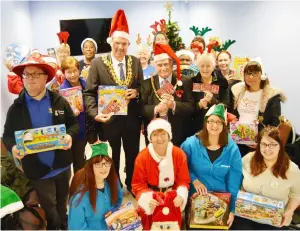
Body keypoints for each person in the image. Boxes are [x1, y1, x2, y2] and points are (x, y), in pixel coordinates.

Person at [2, 54, 79, 229]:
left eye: (35, 74)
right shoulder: (16, 108)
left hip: (62, 165)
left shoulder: (59, 101)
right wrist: (13, 147)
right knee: (48, 206)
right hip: (38, 170)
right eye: (26, 74)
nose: (30, 78)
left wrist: (69, 136)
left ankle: (64, 222)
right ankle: (54, 226)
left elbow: (73, 124)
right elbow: (7, 136)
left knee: (62, 201)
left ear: (45, 78)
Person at [83, 9, 143, 194]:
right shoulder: (97, 64)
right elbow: (88, 93)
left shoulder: (135, 62)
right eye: (117, 43)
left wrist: (137, 92)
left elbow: (142, 86)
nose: (121, 48)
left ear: (128, 44)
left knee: (133, 155)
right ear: (111, 43)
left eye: (124, 44)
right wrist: (95, 114)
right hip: (109, 121)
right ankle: (114, 187)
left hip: (132, 120)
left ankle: (133, 184)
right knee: (112, 156)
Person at [181, 104, 243, 229]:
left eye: (219, 122)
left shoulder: (232, 149)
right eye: (211, 121)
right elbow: (181, 167)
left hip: (221, 201)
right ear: (205, 122)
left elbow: (234, 181)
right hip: (195, 199)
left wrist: (232, 209)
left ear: (224, 125)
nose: (215, 126)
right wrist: (194, 180)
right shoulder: (190, 144)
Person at [232, 126, 300, 230]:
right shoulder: (248, 159)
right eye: (263, 144)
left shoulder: (292, 170)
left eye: (272, 145)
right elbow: (237, 179)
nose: (267, 149)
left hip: (275, 219)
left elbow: (296, 195)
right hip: (246, 214)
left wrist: (289, 211)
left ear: (280, 146)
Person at [132, 118, 190, 230]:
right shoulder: (142, 157)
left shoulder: (178, 154)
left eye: (163, 134)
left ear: (169, 135)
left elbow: (183, 180)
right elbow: (137, 185)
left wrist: (181, 195)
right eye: (155, 134)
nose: (159, 138)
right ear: (150, 138)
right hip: (151, 197)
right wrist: (147, 199)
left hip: (172, 197)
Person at [140, 43, 194, 146]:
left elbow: (191, 107)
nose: (163, 68)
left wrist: (173, 105)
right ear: (155, 65)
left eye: (166, 64)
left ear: (171, 64)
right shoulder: (146, 83)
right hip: (155, 137)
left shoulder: (185, 81)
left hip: (179, 136)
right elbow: (141, 108)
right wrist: (156, 108)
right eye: (160, 65)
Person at [230, 58, 286, 156]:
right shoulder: (238, 92)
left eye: (255, 73)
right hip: (238, 140)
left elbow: (275, 123)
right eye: (248, 73)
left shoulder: (271, 96)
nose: (251, 77)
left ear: (262, 74)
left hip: (259, 143)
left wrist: (262, 141)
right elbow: (233, 115)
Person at [68, 142, 123, 230]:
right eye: (98, 164)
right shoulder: (80, 198)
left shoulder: (113, 181)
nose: (104, 167)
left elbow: (118, 204)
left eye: (107, 162)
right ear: (90, 166)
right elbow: (76, 228)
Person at [189, 52, 229, 136]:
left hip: (216, 128)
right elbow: (187, 107)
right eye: (202, 66)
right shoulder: (192, 82)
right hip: (196, 127)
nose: (205, 69)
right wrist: (199, 105)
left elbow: (226, 106)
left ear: (213, 66)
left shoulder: (222, 82)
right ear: (198, 66)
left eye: (208, 66)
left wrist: (213, 100)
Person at [60, 56, 87, 173]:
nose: (72, 75)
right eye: (69, 72)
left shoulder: (85, 83)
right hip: (75, 129)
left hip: (88, 125)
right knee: (78, 159)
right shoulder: (62, 91)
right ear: (64, 73)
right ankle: (79, 185)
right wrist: (70, 113)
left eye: (74, 71)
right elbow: (60, 113)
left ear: (79, 70)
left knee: (82, 155)